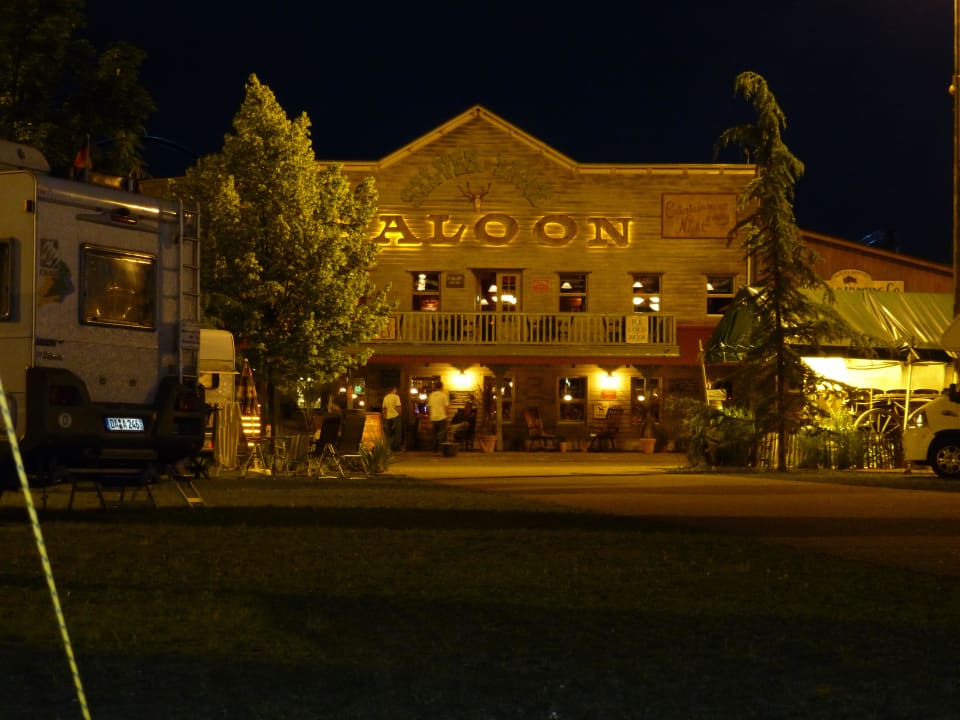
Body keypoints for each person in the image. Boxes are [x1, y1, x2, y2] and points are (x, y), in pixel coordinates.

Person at [426, 381, 450, 453]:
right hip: (442, 417)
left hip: (433, 417)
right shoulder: (443, 395)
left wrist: (430, 415)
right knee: (442, 434)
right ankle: (442, 449)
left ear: (435, 387)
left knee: (434, 434)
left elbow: (429, 407)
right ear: (442, 387)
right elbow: (446, 407)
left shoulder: (431, 395)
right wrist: (447, 415)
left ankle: (434, 449)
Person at [382, 386, 402, 451]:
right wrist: (400, 414)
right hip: (396, 416)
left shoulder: (385, 397)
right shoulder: (396, 397)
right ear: (394, 390)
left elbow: (384, 409)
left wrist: (384, 416)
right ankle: (396, 447)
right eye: (395, 389)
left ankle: (389, 447)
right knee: (397, 433)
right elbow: (398, 407)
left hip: (388, 417)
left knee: (389, 433)